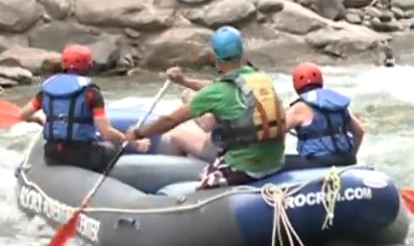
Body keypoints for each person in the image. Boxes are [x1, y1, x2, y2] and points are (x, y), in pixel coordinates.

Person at [125, 25, 287, 189]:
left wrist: (139, 133)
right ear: (243, 53)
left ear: (215, 58)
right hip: (275, 163)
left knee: (201, 181)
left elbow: (170, 120)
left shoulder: (217, 92)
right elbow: (215, 88)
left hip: (245, 167)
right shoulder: (261, 79)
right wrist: (185, 82)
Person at [18, 44, 148, 173]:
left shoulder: (46, 90)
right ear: (88, 66)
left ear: (63, 64)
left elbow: (22, 115)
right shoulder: (90, 93)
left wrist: (35, 119)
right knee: (113, 149)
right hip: (83, 157)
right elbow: (106, 132)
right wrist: (134, 144)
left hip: (53, 155)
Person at [284, 62, 365, 169]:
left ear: (296, 85)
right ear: (320, 81)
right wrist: (352, 155)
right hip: (346, 159)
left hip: (319, 162)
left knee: (281, 163)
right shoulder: (337, 104)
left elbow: (277, 132)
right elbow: (359, 132)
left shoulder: (300, 107)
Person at [161, 89, 218, 162]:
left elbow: (206, 125)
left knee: (176, 134)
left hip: (224, 152)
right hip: (231, 145)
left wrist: (190, 102)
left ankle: (179, 170)